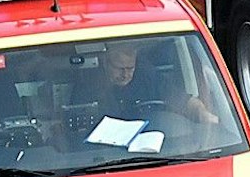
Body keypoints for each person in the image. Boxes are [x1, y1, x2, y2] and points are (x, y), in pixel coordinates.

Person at [85, 43, 219, 127]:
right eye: (120, 69)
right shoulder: (88, 85)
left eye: (130, 68)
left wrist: (203, 114)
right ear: (105, 63)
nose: (126, 75)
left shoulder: (146, 75)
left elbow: (181, 100)